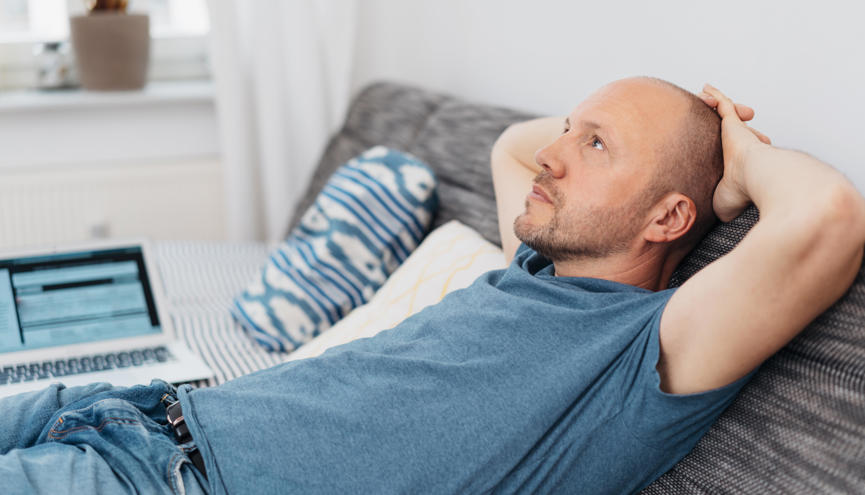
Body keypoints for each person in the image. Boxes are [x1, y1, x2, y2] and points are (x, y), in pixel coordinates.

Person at [1, 78, 863, 494]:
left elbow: (823, 217)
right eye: (571, 127)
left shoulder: (642, 353)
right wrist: (598, 132)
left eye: (595, 145)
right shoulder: (529, 264)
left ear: (669, 219)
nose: (555, 152)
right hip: (128, 413)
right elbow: (509, 151)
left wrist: (737, 157)